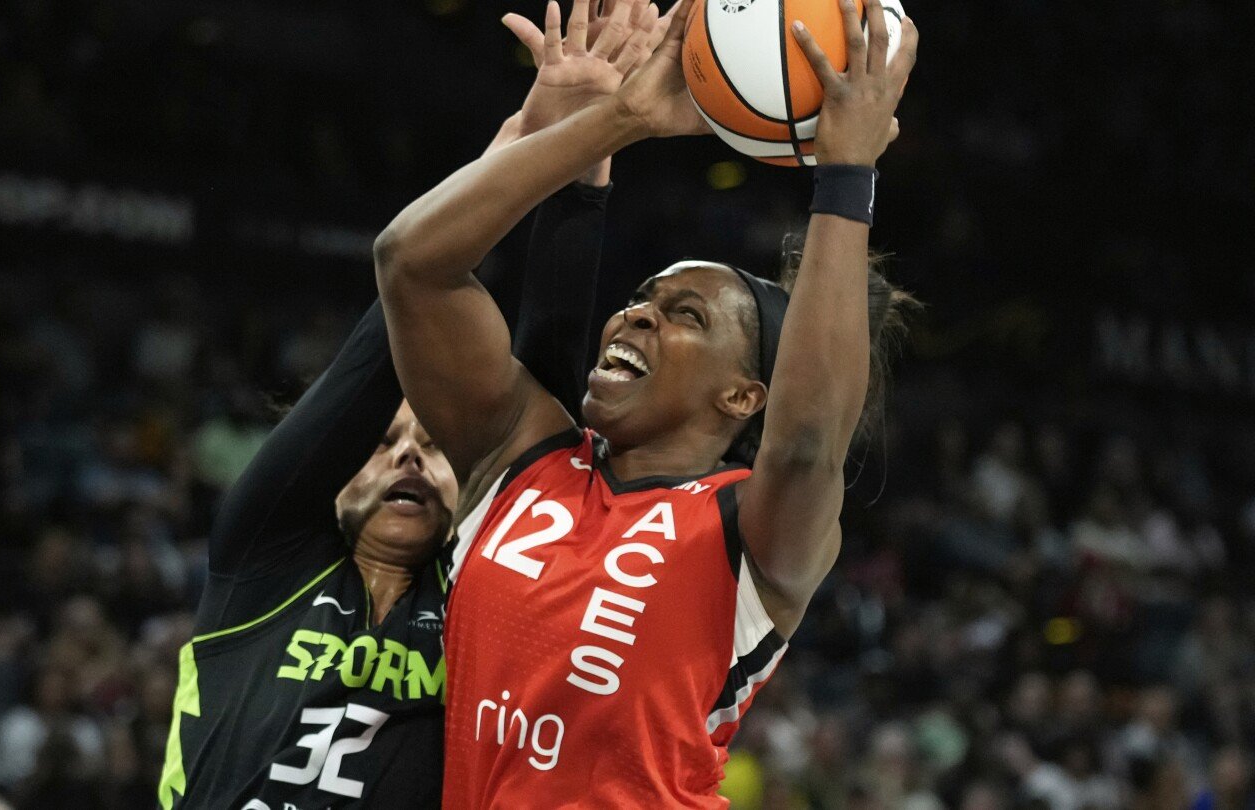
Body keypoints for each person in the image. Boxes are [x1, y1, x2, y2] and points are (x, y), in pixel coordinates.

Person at [375, 0, 919, 804]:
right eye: (640, 299)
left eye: (685, 316)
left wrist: (846, 176)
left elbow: (807, 441)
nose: (636, 317)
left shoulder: (752, 531)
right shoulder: (520, 456)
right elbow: (410, 262)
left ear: (743, 394)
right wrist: (618, 121)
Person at [157, 5, 667, 807]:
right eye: (385, 441)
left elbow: (542, 383)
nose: (407, 457)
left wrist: (583, 159)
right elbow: (385, 333)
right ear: (331, 473)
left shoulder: (475, 600)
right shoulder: (262, 557)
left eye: (435, 447)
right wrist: (526, 138)